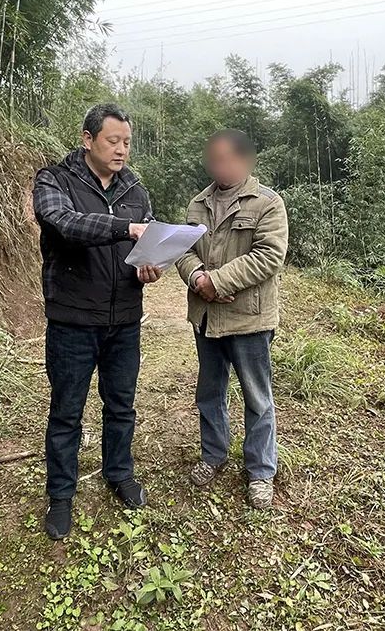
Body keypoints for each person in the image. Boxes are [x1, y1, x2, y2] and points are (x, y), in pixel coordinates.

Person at [32, 103, 161, 540]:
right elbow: (64, 224)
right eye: (113, 141)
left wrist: (149, 266)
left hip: (124, 319)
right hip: (72, 319)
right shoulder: (55, 180)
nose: (122, 150)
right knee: (67, 411)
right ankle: (61, 495)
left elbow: (145, 244)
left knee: (121, 405)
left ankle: (119, 473)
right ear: (88, 140)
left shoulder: (135, 189)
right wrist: (127, 229)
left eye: (127, 142)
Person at [174, 129, 289, 509]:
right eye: (214, 159)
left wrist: (217, 281)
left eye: (226, 159)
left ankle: (260, 471)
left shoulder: (267, 203)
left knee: (257, 398)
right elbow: (184, 250)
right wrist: (197, 278)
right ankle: (213, 454)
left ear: (245, 159)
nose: (219, 166)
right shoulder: (198, 204)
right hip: (207, 316)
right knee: (209, 392)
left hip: (249, 319)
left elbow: (269, 256)